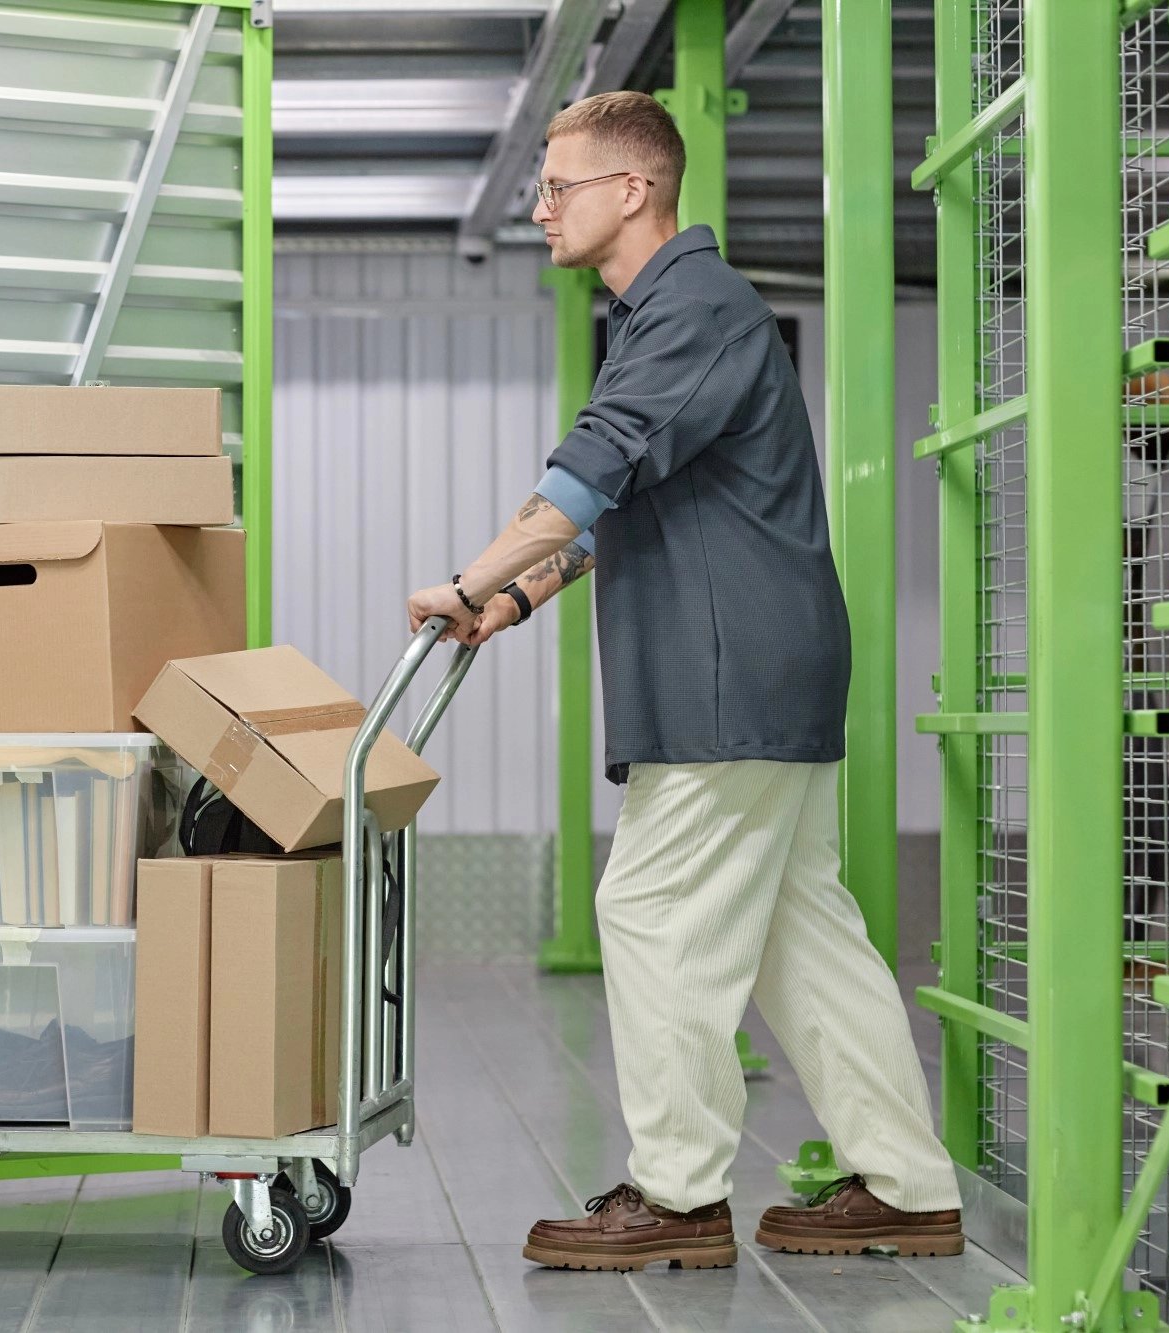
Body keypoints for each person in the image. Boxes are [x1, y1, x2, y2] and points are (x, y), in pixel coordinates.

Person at [406, 91, 963, 1272]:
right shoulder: (670, 316)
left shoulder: (691, 309)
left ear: (632, 190)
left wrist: (463, 578)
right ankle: (908, 1185)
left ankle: (674, 1195)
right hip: (759, 672)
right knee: (799, 936)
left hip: (728, 678)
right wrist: (512, 601)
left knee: (646, 907)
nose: (541, 205)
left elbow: (581, 479)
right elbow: (623, 509)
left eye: (558, 185)